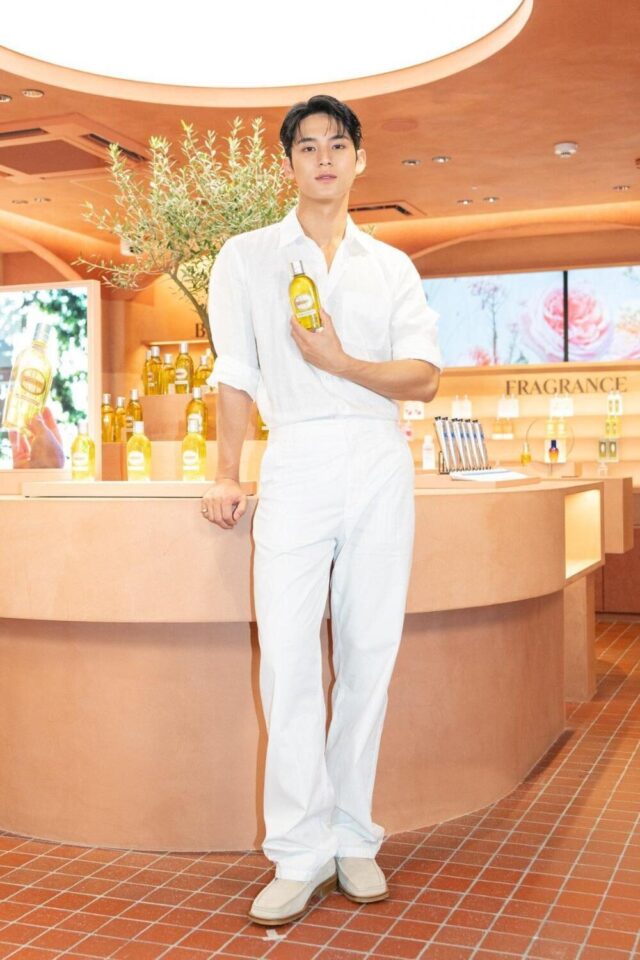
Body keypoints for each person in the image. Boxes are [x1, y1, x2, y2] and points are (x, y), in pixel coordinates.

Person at [201, 94, 441, 926]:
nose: (325, 159)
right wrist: (227, 474)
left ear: (360, 158)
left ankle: (353, 838)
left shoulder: (390, 266)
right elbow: (236, 373)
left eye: (338, 145)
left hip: (378, 456)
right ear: (289, 163)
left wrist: (343, 362)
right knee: (288, 660)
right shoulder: (247, 257)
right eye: (308, 147)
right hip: (296, 455)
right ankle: (298, 852)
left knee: (370, 652)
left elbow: (424, 377)